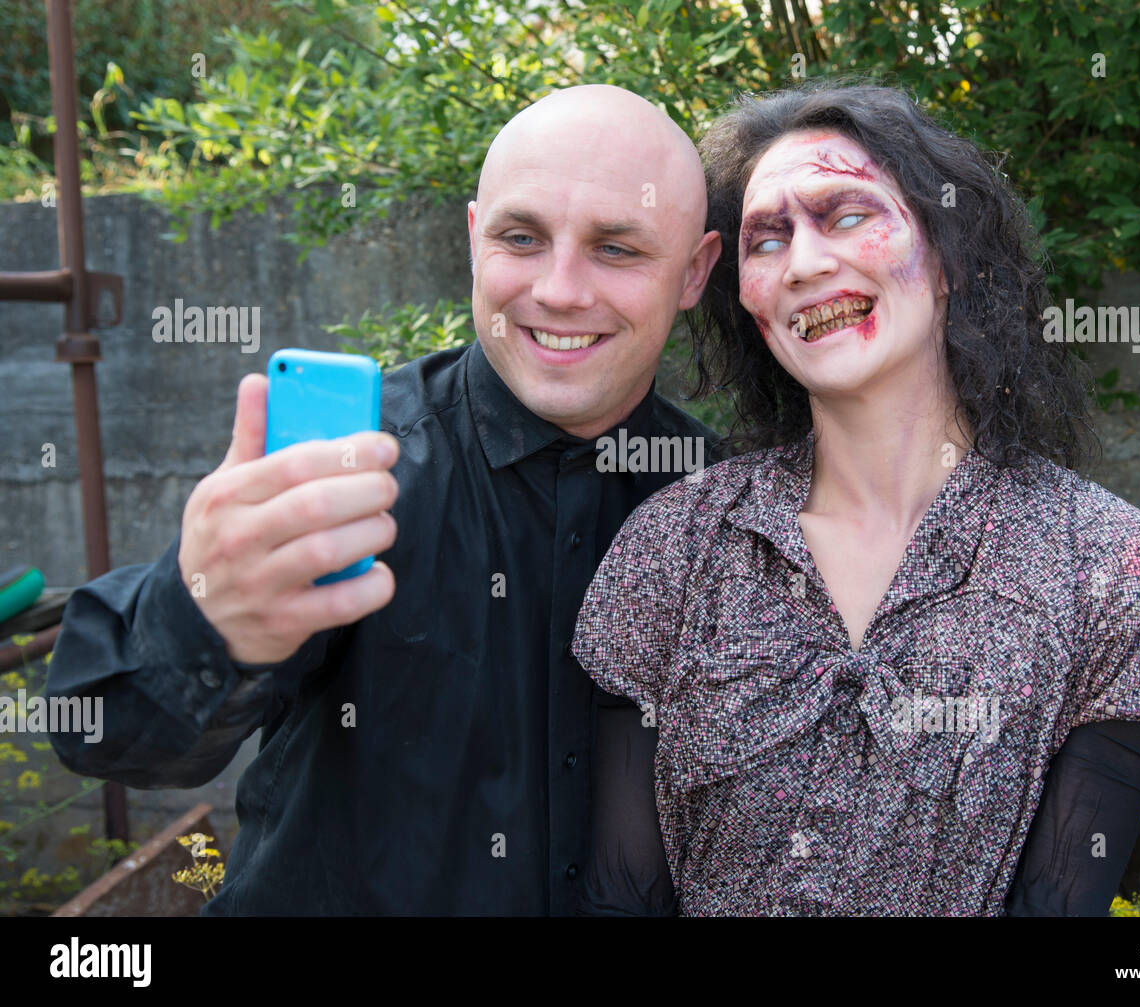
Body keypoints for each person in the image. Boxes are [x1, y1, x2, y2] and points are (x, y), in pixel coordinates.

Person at [45, 84, 723, 915]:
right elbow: (93, 729)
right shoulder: (349, 468)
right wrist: (203, 617)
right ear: (475, 239)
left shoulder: (725, 512)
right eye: (522, 237)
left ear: (695, 272)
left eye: (616, 248)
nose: (560, 288)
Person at [570, 80, 1140, 915]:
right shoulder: (672, 546)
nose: (805, 263)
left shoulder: (1107, 565)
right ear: (744, 293)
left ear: (950, 254)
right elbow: (619, 895)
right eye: (766, 238)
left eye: (845, 215)